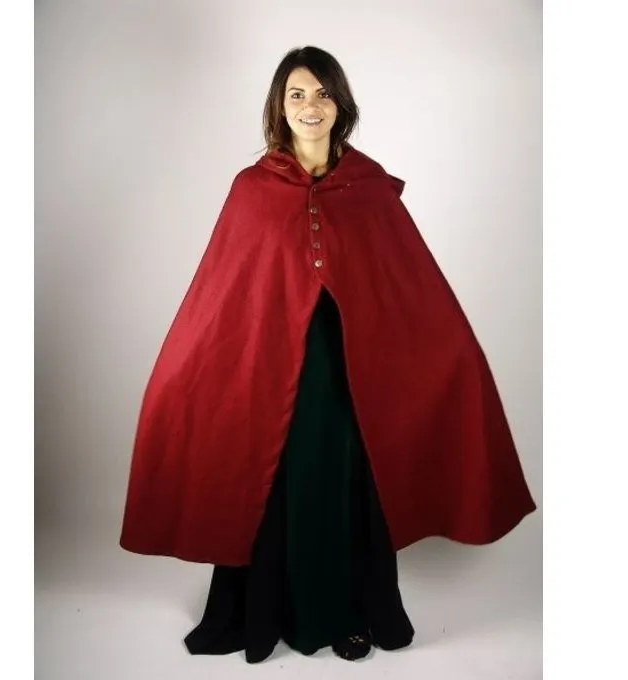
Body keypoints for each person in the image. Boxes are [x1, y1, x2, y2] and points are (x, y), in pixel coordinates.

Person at [119, 46, 537, 664]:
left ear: (340, 104)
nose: (310, 106)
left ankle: (348, 614)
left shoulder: (368, 189)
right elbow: (223, 291)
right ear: (279, 107)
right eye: (297, 94)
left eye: (322, 93)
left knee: (346, 482)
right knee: (272, 478)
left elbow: (411, 285)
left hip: (350, 369)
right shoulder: (252, 189)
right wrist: (181, 367)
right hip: (271, 370)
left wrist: (451, 354)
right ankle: (265, 610)